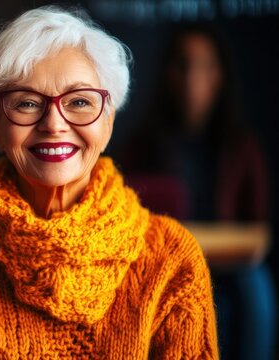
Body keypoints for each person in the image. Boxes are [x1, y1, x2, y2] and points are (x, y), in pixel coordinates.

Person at [0, 7, 218, 359]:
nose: (54, 123)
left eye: (79, 101)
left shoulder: (173, 260)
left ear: (108, 120)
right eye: (26, 103)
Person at [122, 25, 273, 360]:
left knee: (255, 283)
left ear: (220, 75)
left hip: (229, 266)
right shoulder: (143, 145)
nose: (193, 77)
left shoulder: (243, 148)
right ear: (168, 75)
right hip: (166, 263)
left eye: (205, 65)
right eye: (183, 65)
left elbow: (256, 231)